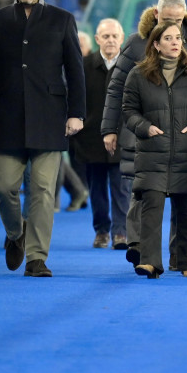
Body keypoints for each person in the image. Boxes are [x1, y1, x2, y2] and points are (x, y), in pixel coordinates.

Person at [0, 0, 86, 278]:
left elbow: (75, 71)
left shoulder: (62, 20)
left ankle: (37, 257)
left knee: (42, 190)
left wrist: (77, 113)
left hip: (50, 118)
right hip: (6, 117)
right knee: (4, 187)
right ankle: (15, 234)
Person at [101, 0, 187, 268]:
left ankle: (178, 252)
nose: (174, 27)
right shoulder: (134, 44)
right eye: (168, 20)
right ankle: (139, 244)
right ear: (156, 15)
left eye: (179, 20)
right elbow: (117, 89)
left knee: (182, 196)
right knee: (140, 190)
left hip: (183, 136)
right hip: (142, 133)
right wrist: (109, 128)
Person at [123, 22, 187, 278]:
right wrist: (144, 127)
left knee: (186, 208)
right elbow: (129, 111)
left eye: (178, 38)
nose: (175, 42)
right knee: (151, 207)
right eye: (168, 38)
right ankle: (150, 262)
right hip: (152, 150)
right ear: (155, 44)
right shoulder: (138, 75)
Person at [71, 18, 130, 249]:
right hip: (91, 138)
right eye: (106, 36)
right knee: (96, 189)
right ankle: (101, 231)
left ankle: (120, 233)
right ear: (97, 40)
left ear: (122, 39)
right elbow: (76, 99)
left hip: (123, 137)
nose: (111, 40)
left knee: (122, 187)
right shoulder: (83, 66)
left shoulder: (132, 66)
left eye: (115, 36)